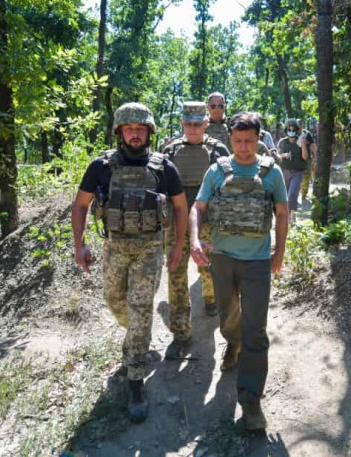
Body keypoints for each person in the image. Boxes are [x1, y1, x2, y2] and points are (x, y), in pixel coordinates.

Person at [71, 102, 189, 424]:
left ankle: (135, 380)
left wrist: (177, 246)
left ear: (149, 131)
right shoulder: (101, 166)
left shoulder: (164, 167)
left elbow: (180, 207)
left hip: (150, 249)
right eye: (129, 129)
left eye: (140, 129)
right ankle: (137, 339)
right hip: (114, 247)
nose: (135, 134)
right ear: (119, 131)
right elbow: (80, 205)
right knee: (115, 303)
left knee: (139, 309)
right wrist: (79, 245)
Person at [190, 111, 289, 431]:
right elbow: (199, 207)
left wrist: (280, 252)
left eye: (249, 141)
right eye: (237, 141)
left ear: (259, 139)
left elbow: (283, 213)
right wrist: (194, 238)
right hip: (222, 257)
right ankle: (232, 342)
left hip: (258, 261)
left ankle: (251, 401)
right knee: (228, 316)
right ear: (230, 139)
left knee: (256, 329)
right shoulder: (217, 170)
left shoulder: (271, 172)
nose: (244, 147)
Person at [162, 102, 230, 358]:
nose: (192, 128)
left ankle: (211, 298)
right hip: (176, 223)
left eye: (197, 123)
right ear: (182, 123)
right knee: (176, 274)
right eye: (187, 123)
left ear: (205, 123)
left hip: (208, 223)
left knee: (209, 270)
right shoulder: (169, 151)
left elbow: (228, 188)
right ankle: (181, 333)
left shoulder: (218, 150)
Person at [205, 92, 271, 157]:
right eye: (213, 106)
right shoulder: (201, 127)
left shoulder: (233, 124)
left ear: (224, 106)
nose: (217, 109)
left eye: (220, 106)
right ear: (207, 107)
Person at [277, 118, 309, 223]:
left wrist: (303, 145)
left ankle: (293, 218)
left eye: (293, 128)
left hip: (297, 172)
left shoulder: (301, 141)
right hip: (284, 172)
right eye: (289, 128)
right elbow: (277, 154)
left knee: (292, 194)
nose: (291, 130)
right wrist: (283, 155)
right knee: (284, 196)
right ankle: (284, 218)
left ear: (297, 129)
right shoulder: (282, 142)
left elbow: (305, 157)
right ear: (286, 129)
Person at [299, 120, 318, 202]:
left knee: (305, 176)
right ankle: (297, 192)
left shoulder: (307, 134)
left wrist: (317, 156)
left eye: (300, 126)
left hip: (306, 159)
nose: (299, 128)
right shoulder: (291, 132)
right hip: (294, 159)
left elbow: (312, 145)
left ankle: (303, 194)